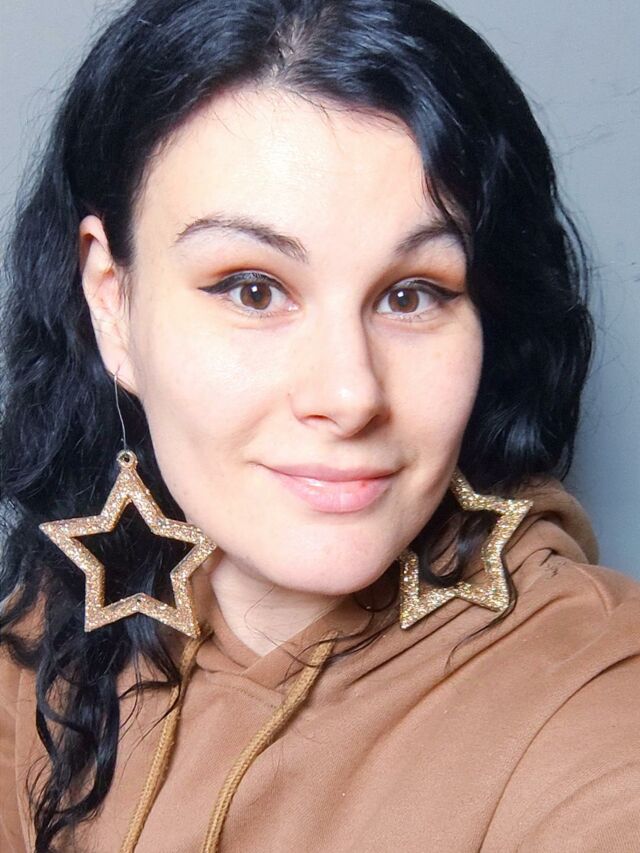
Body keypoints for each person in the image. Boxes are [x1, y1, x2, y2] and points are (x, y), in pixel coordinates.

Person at [1, 0, 638, 850]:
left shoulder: (596, 696)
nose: (349, 393)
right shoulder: (39, 637)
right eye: (253, 289)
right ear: (113, 304)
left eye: (412, 294)